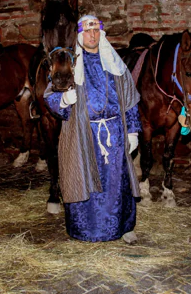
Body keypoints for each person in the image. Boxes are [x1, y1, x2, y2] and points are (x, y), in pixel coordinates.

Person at [44, 15, 142, 243]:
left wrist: (133, 130)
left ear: (102, 33)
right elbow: (49, 95)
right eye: (88, 31)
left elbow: (130, 99)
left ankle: (123, 227)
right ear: (80, 35)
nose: (92, 35)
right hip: (83, 134)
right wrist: (64, 101)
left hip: (115, 132)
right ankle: (86, 230)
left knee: (118, 183)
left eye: (96, 31)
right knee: (83, 179)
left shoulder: (114, 63)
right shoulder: (70, 62)